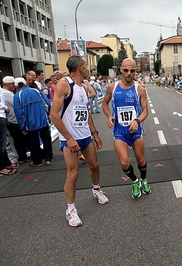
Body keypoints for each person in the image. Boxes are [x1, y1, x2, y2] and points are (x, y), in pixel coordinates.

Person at [50, 55, 109, 227]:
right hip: (69, 139)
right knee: (73, 174)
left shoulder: (82, 86)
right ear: (79, 67)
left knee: (94, 165)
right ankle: (71, 210)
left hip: (85, 136)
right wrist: (69, 138)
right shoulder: (64, 84)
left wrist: (95, 133)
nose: (87, 68)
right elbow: (53, 114)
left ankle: (96, 189)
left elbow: (86, 112)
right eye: (85, 65)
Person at [102, 58, 151, 199]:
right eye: (126, 70)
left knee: (141, 160)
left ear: (136, 71)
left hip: (135, 130)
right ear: (121, 70)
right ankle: (135, 181)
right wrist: (108, 116)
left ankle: (144, 179)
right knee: (124, 162)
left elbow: (145, 111)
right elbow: (104, 104)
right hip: (119, 131)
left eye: (132, 70)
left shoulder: (139, 89)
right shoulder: (112, 87)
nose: (129, 73)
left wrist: (137, 120)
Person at [13, 74, 53, 167]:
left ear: (16, 86)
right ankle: (48, 159)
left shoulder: (17, 96)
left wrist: (22, 127)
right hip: (42, 120)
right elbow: (47, 104)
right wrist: (48, 116)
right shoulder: (36, 91)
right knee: (46, 139)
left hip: (30, 123)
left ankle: (37, 161)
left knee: (33, 142)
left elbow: (19, 113)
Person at [0, 76, 18, 175]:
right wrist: (5, 107)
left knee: (2, 142)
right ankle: (0, 167)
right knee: (0, 143)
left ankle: (6, 163)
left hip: (2, 116)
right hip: (0, 115)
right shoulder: (6, 93)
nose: (0, 71)